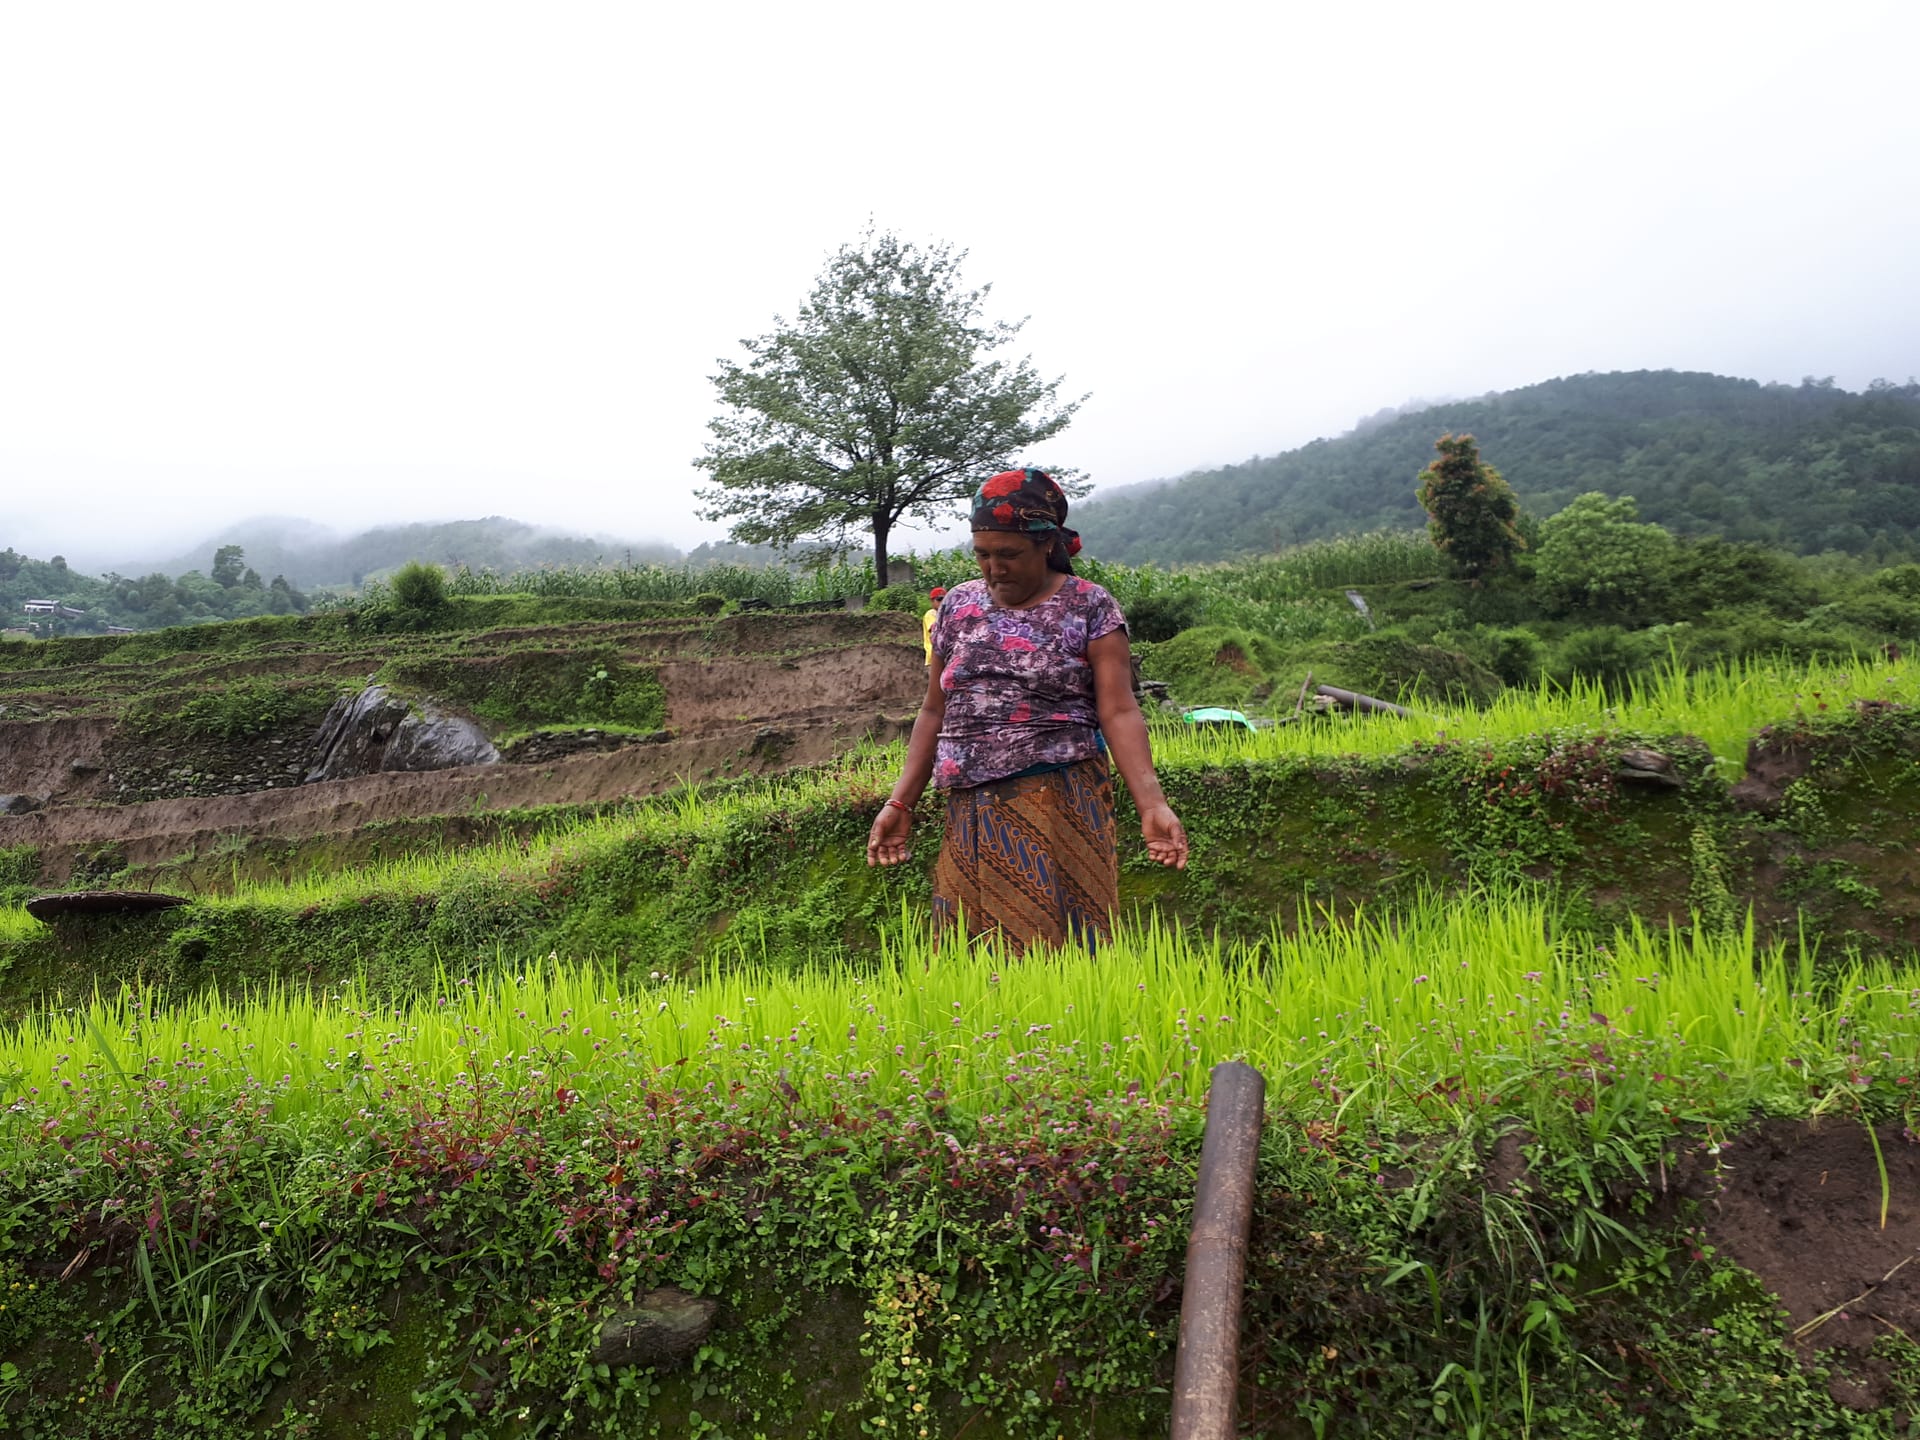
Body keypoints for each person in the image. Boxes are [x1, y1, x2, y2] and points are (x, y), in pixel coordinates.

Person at [866, 468, 1188, 950]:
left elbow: (1118, 712)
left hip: (1059, 801)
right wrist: (900, 801)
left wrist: (1152, 803)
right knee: (973, 965)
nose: (994, 568)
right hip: (970, 807)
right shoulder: (957, 605)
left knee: (1059, 955)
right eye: (983, 554)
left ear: (1047, 545)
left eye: (1009, 554)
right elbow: (935, 711)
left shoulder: (1090, 606)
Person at [921, 586, 946, 666]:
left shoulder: (946, 614)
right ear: (932, 601)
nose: (942, 602)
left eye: (944, 599)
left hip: (945, 655)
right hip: (933, 656)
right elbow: (935, 630)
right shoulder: (931, 614)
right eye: (939, 600)